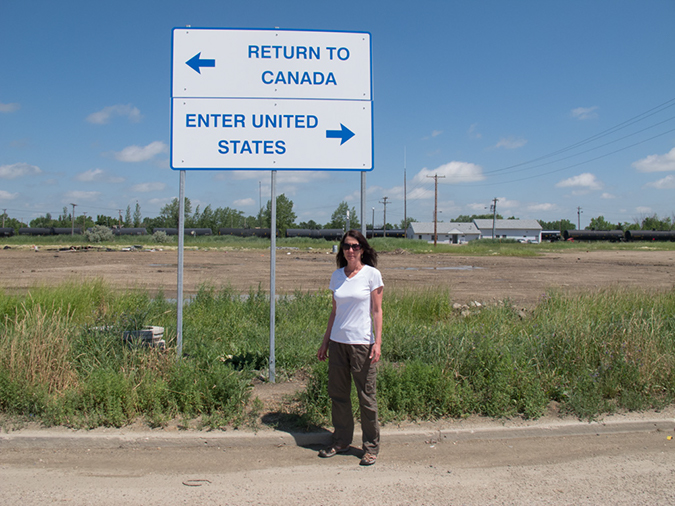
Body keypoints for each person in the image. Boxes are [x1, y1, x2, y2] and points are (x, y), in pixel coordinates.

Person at [317, 230, 383, 466]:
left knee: (366, 397)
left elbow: (377, 311)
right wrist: (325, 341)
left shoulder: (372, 275)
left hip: (361, 345)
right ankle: (342, 440)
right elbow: (334, 312)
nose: (350, 250)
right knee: (339, 396)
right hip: (338, 344)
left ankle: (370, 447)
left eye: (355, 246)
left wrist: (377, 342)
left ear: (362, 249)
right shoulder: (337, 276)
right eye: (346, 246)